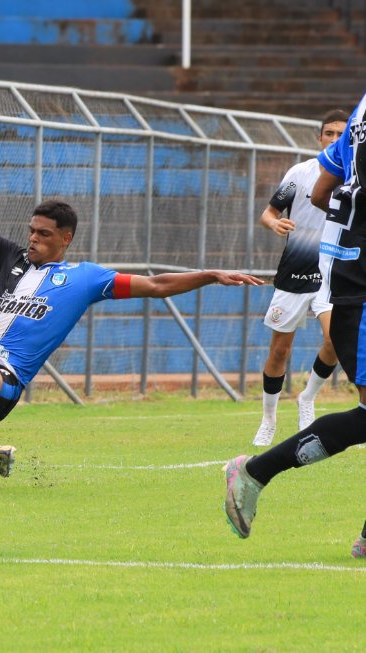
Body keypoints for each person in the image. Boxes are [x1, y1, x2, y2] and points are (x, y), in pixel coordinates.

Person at [0, 149, 263, 477]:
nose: (33, 238)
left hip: (3, 381)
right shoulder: (11, 258)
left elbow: (157, 285)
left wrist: (210, 275)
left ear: (66, 238)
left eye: (43, 234)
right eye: (31, 230)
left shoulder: (86, 278)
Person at [223, 93, 366, 557]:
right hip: (355, 285)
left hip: (343, 274)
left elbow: (324, 193)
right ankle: (257, 469)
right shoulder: (297, 171)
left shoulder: (361, 112)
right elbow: (296, 201)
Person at [252, 109, 349, 447]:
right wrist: (273, 223)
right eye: (329, 134)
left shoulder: (355, 175)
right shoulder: (300, 172)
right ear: (319, 138)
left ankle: (307, 398)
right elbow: (268, 212)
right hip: (295, 269)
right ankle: (268, 420)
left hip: (332, 273)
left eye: (341, 134)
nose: (335, 139)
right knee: (280, 350)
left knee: (336, 340)